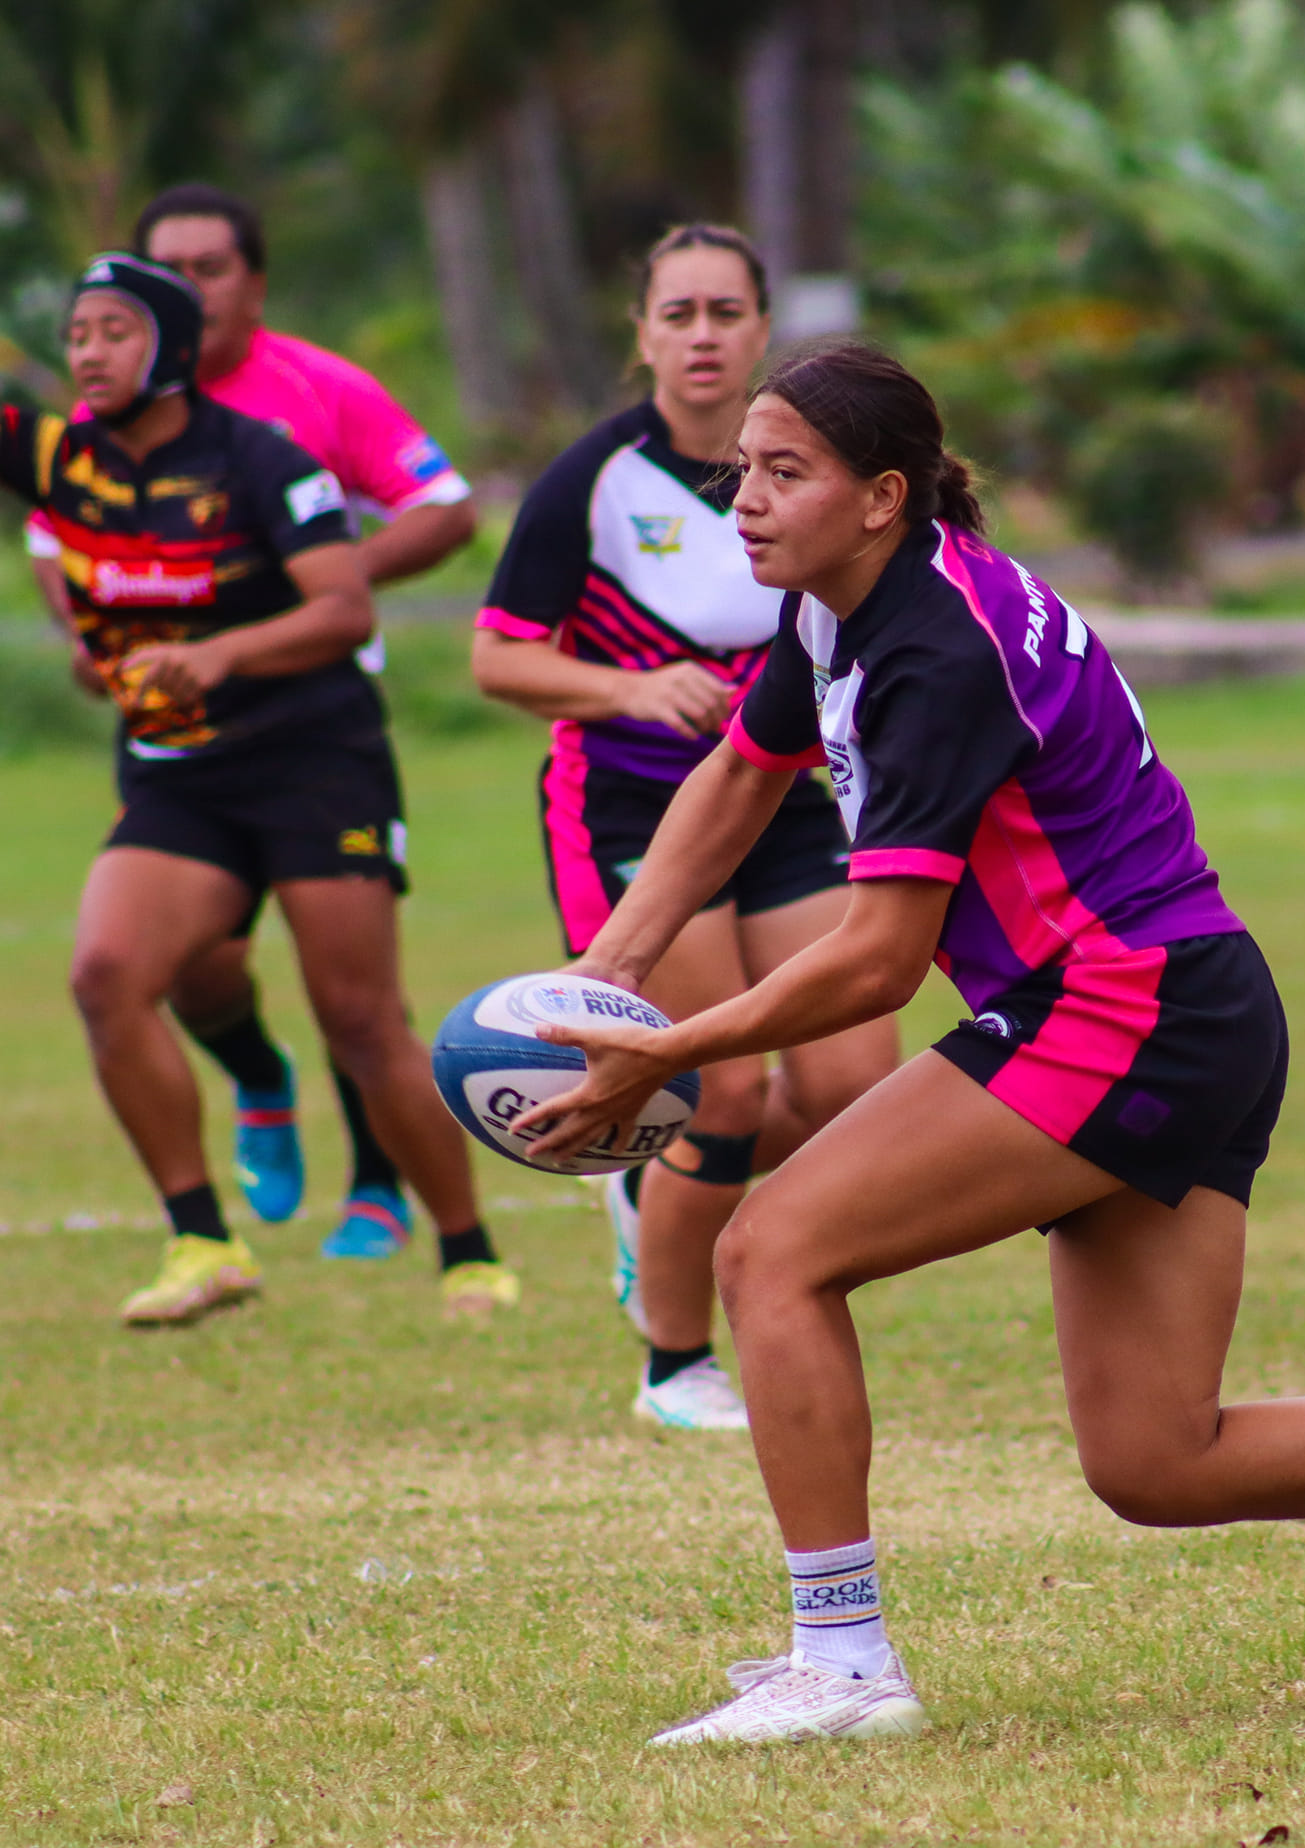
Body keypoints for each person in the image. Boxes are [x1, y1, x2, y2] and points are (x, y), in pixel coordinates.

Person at [505, 338, 1305, 1742]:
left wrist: (669, 1049)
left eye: (783, 472)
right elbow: (738, 777)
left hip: (1122, 1008)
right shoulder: (847, 605)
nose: (745, 501)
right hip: (1183, 1008)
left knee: (770, 1252)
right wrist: (611, 970)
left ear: (884, 495)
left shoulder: (936, 651)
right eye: (741, 471)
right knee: (1156, 1460)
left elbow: (878, 962)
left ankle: (847, 1664)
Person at [0, 253, 515, 1324]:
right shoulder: (62, 462)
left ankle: (469, 1251)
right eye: (78, 334)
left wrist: (223, 654)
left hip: (312, 762)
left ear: (173, 349)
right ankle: (201, 1241)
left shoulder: (262, 459)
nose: (88, 352)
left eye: (114, 331)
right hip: (179, 773)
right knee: (106, 974)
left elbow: (342, 612)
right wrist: (97, 649)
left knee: (362, 1020)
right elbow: (86, 577)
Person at [472, 226, 897, 1428]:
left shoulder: (815, 470)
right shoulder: (593, 481)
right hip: (628, 805)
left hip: (785, 796)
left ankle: (647, 1174)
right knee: (714, 1087)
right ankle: (672, 1363)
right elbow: (495, 657)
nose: (702, 335)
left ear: (764, 328)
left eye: (725, 312)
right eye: (678, 314)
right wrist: (626, 690)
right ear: (642, 334)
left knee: (854, 1087)